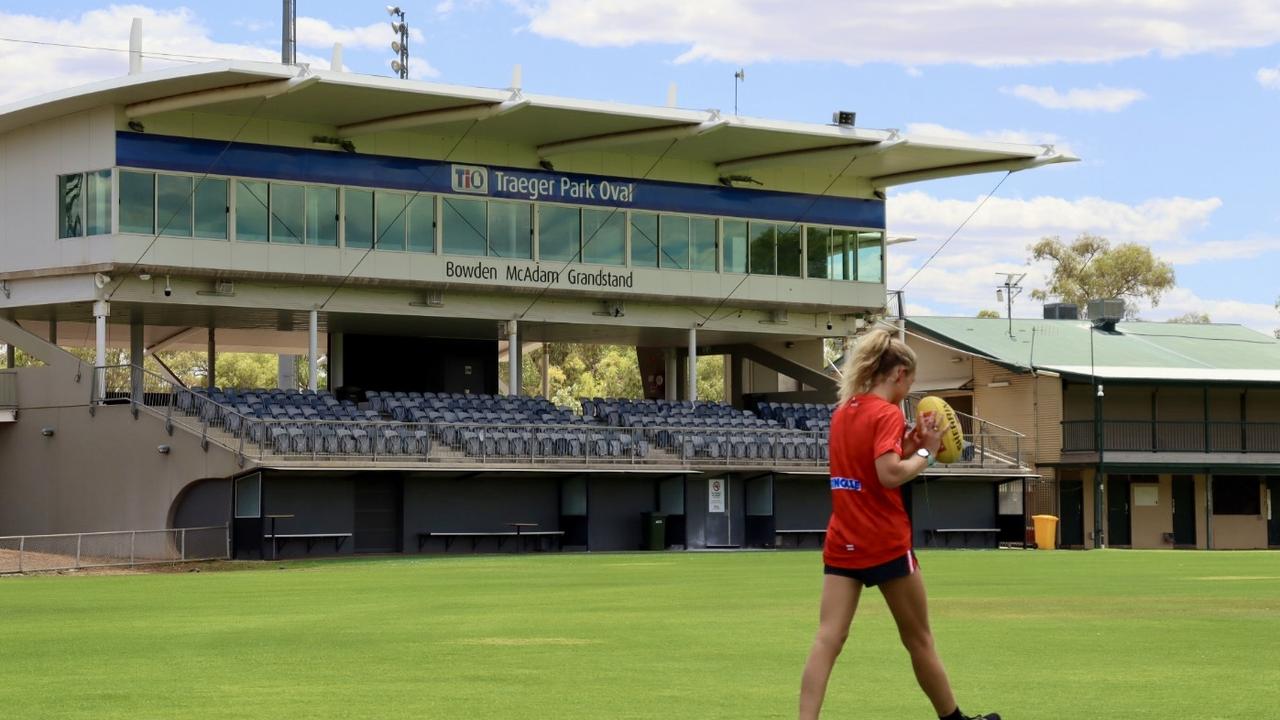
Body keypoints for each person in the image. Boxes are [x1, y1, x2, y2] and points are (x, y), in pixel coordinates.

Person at [798, 329, 999, 720]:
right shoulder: (887, 413)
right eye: (910, 382)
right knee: (919, 640)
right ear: (899, 374)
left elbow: (867, 467)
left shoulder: (844, 412)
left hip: (844, 541)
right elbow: (889, 474)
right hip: (885, 542)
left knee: (827, 639)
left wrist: (913, 442)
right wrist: (928, 451)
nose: (909, 390)